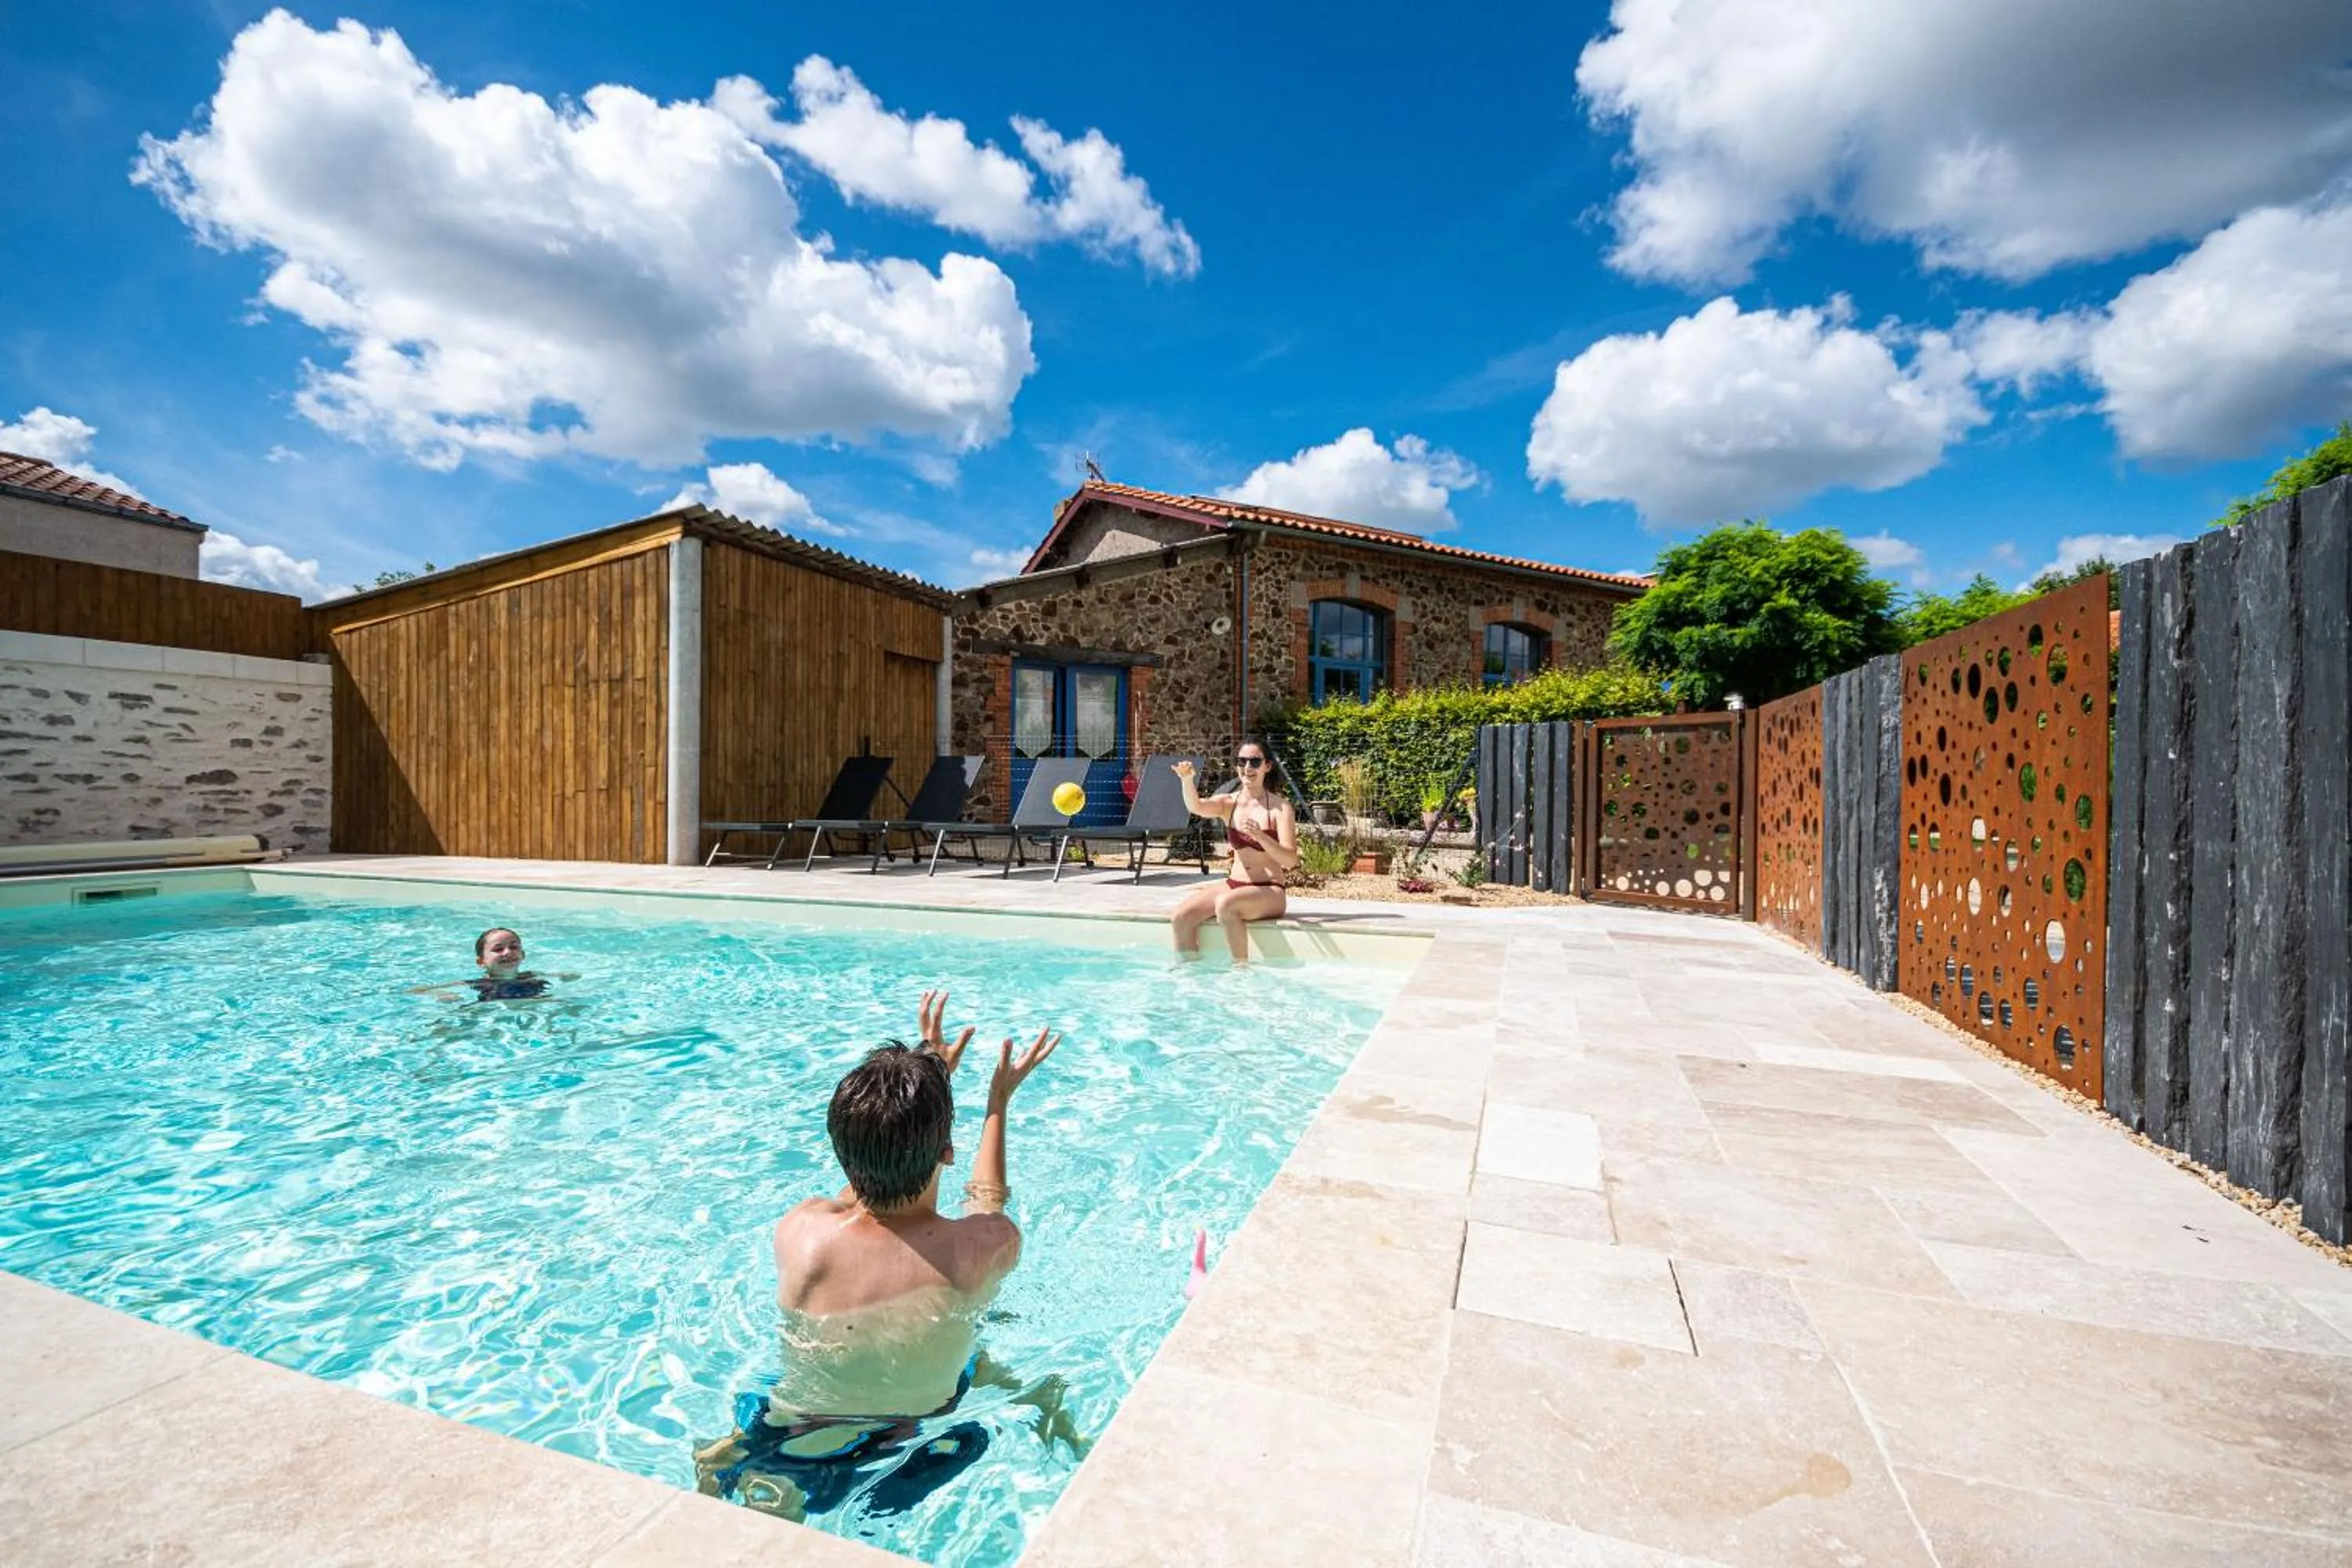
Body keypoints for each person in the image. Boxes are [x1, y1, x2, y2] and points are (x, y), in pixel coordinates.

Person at [695, 991, 1074, 1522]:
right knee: (1011, 1370)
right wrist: (997, 1103)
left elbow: (862, 1180)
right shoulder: (983, 1248)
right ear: (948, 1152)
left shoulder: (800, 1230)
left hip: (795, 1421)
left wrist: (929, 1075)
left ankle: (746, 1460)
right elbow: (985, 1201)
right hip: (914, 1430)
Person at [1169, 739, 1300, 964]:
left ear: (1267, 766)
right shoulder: (1229, 803)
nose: (1247, 768)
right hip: (1234, 884)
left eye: (1254, 762)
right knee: (1181, 917)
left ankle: (1239, 971)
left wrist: (1262, 837)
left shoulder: (1280, 808)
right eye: (1242, 761)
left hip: (1269, 890)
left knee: (1226, 905)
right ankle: (1188, 975)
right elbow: (1197, 806)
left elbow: (1290, 860)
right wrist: (1187, 780)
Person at [410, 927, 575, 1002]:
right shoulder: (480, 984)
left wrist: (566, 976)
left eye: (514, 947)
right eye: (498, 949)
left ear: (523, 955)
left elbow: (567, 976)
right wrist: (442, 993)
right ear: (481, 962)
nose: (508, 952)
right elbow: (417, 990)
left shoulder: (531, 976)